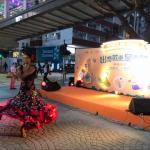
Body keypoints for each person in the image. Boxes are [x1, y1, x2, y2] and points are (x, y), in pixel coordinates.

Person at [0, 53, 58, 138]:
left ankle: (27, 125)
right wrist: (12, 74)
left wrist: (16, 74)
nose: (25, 60)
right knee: (21, 107)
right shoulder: (21, 67)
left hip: (30, 90)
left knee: (30, 107)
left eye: (27, 58)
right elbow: (16, 76)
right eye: (24, 58)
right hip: (23, 89)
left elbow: (23, 76)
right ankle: (23, 128)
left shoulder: (32, 67)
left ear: (30, 59)